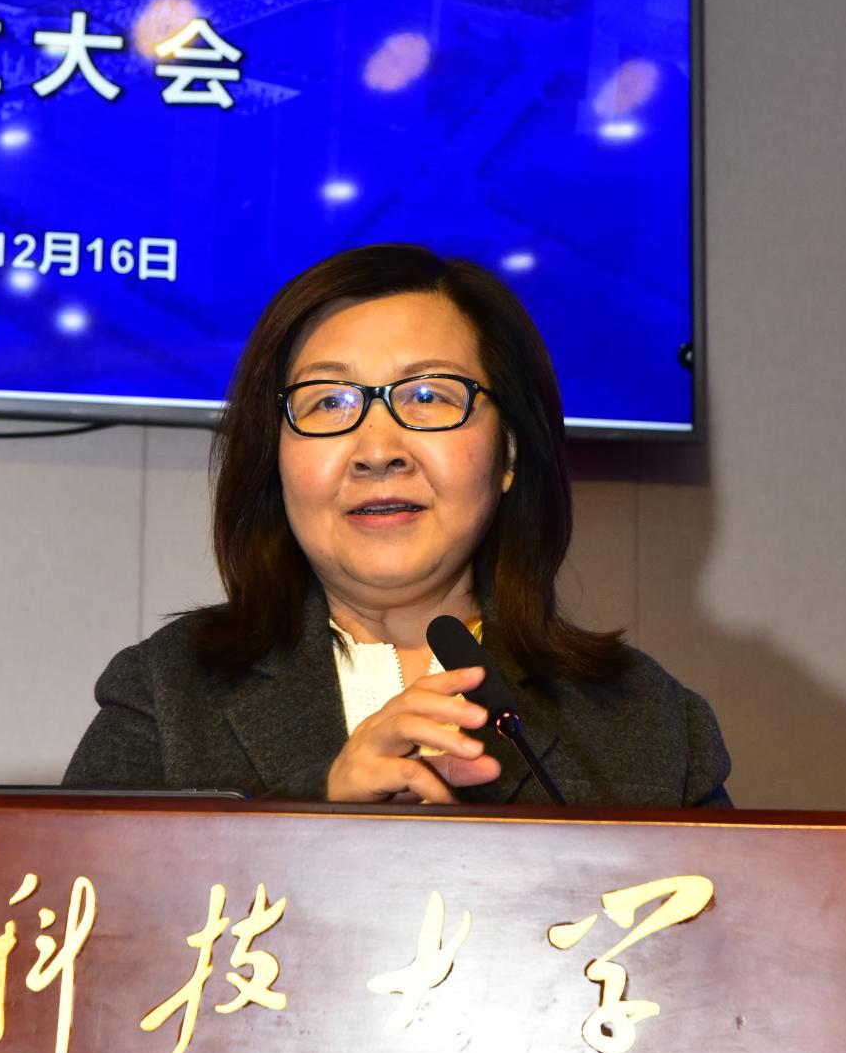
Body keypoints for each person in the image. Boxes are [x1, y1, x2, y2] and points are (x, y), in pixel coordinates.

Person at [64, 244, 730, 807]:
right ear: (275, 458)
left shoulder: (649, 720)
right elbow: (81, 915)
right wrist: (317, 807)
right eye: (328, 401)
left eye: (428, 396)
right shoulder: (167, 694)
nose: (378, 450)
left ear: (508, 453)